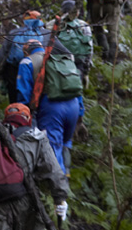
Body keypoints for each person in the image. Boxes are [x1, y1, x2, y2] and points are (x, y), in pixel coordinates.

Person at [16, 39, 84, 176]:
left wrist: (24, 115)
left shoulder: (27, 62)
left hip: (52, 107)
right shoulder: (60, 60)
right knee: (65, 143)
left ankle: (57, 183)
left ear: (26, 51)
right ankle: (66, 174)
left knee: (52, 148)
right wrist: (80, 114)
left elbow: (24, 94)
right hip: (74, 105)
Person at [0, 10, 50, 103]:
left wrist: (1, 74)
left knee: (15, 100)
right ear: (40, 20)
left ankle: (16, 110)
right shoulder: (48, 35)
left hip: (14, 72)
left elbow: (2, 56)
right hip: (38, 72)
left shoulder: (15, 33)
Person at [56, 0, 93, 86]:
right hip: (78, 61)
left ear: (62, 11)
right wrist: (86, 71)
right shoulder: (83, 25)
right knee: (76, 87)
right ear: (77, 12)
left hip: (58, 61)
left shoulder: (54, 24)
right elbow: (89, 48)